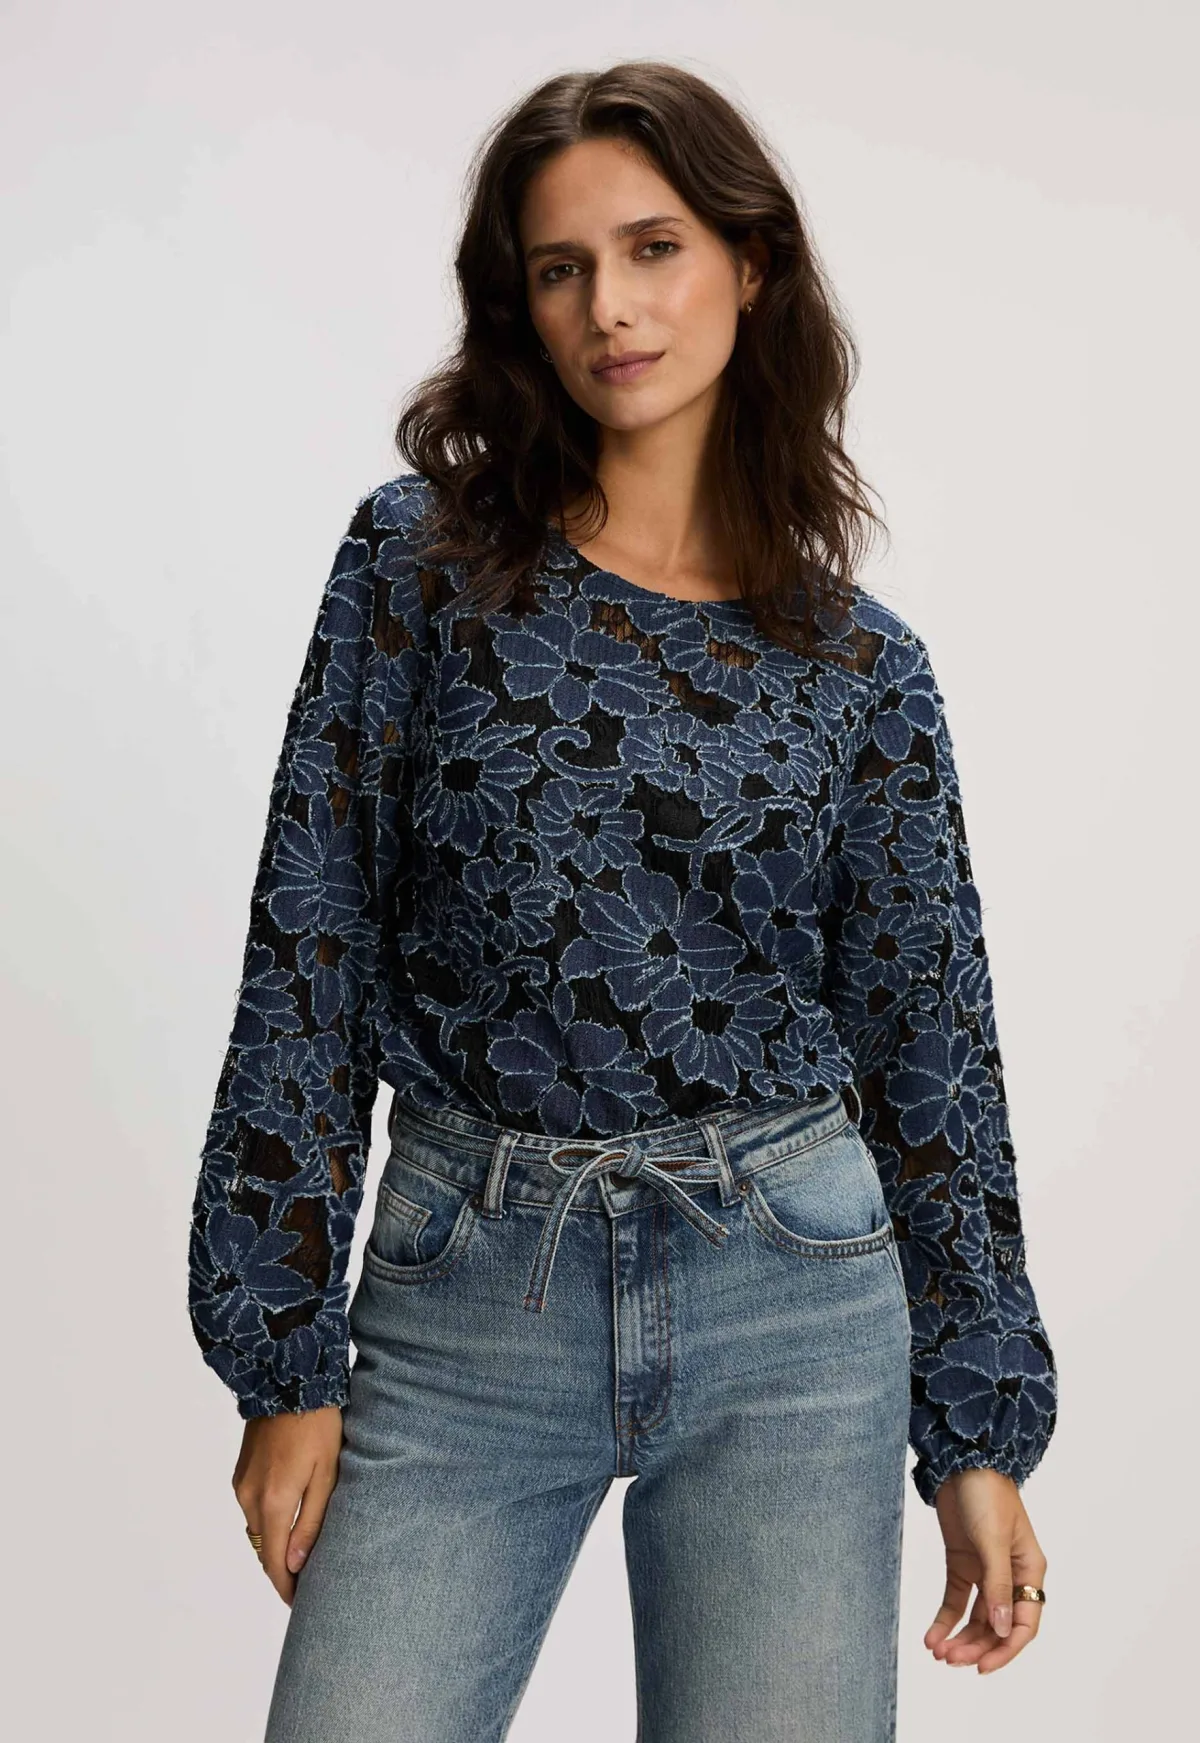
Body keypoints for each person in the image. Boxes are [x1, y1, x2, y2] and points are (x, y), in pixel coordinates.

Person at [188, 59, 1056, 1742]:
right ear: (518, 305)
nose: (611, 307)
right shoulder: (418, 568)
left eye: (654, 249)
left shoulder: (861, 671)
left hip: (791, 1291)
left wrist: (976, 1434)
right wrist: (282, 1355)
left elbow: (931, 1049)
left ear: (751, 263)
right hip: (468, 1280)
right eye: (561, 268)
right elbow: (312, 938)